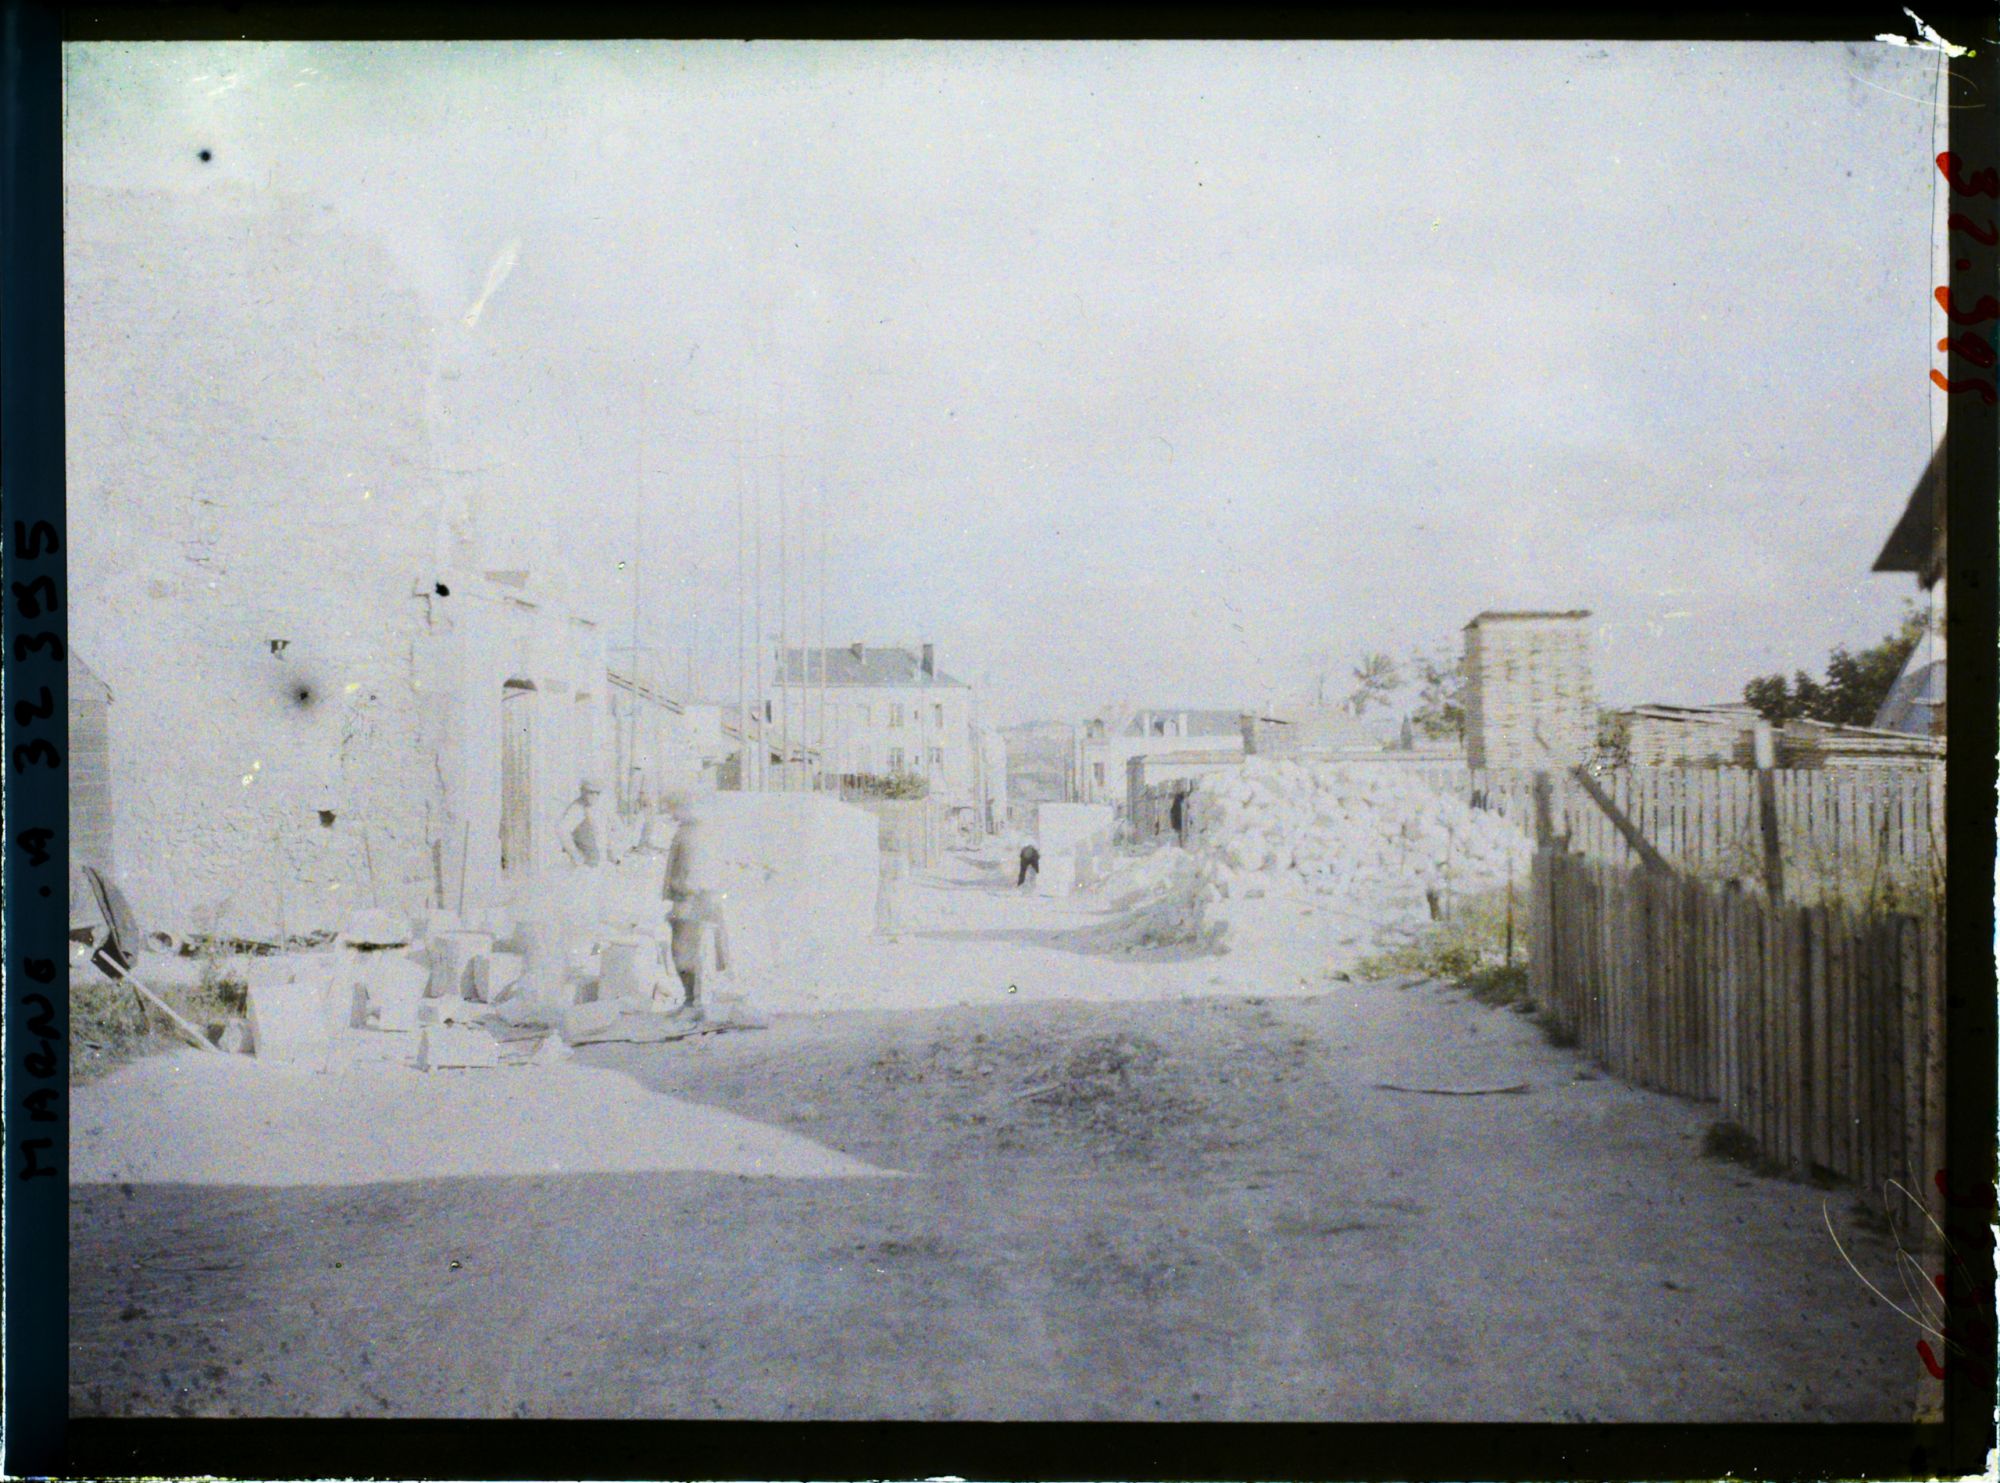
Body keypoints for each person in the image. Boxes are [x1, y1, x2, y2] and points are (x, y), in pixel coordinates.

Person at [661, 792, 730, 1008]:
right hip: (695, 897)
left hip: (692, 899)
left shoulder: (692, 834)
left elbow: (692, 873)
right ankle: (696, 1000)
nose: (672, 813)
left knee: (684, 952)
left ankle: (694, 1001)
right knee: (695, 952)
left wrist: (679, 891)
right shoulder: (689, 831)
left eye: (674, 808)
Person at [557, 779, 617, 867]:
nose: (594, 796)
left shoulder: (599, 808)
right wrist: (576, 855)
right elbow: (562, 831)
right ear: (583, 792)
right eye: (590, 792)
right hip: (586, 864)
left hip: (600, 861)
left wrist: (611, 851)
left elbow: (608, 831)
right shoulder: (577, 808)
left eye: (597, 793)